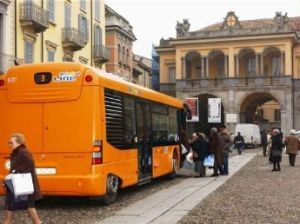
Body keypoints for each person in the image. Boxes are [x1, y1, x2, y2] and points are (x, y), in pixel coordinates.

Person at [3, 133, 42, 224]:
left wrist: (14, 172)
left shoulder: (23, 152)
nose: (9, 145)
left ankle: (38, 222)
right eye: (9, 143)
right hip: (20, 184)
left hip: (24, 184)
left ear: (19, 143)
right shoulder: (17, 152)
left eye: (11, 143)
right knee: (13, 205)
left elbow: (29, 164)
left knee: (26, 205)